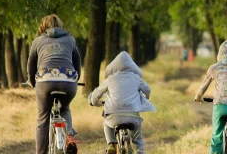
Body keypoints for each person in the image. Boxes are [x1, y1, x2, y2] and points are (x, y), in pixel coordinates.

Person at [27, 14, 81, 154]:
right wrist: (75, 80)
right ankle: (70, 138)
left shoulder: (38, 41)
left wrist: (33, 83)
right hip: (68, 81)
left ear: (43, 27)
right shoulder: (70, 40)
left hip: (45, 81)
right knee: (65, 108)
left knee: (43, 118)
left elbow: (31, 67)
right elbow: (77, 64)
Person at [88, 51, 156, 154]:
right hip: (132, 116)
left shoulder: (110, 79)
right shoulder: (136, 77)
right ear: (133, 67)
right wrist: (145, 97)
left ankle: (111, 143)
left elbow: (96, 94)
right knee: (138, 141)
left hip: (113, 116)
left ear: (113, 68)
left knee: (107, 124)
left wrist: (93, 101)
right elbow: (147, 90)